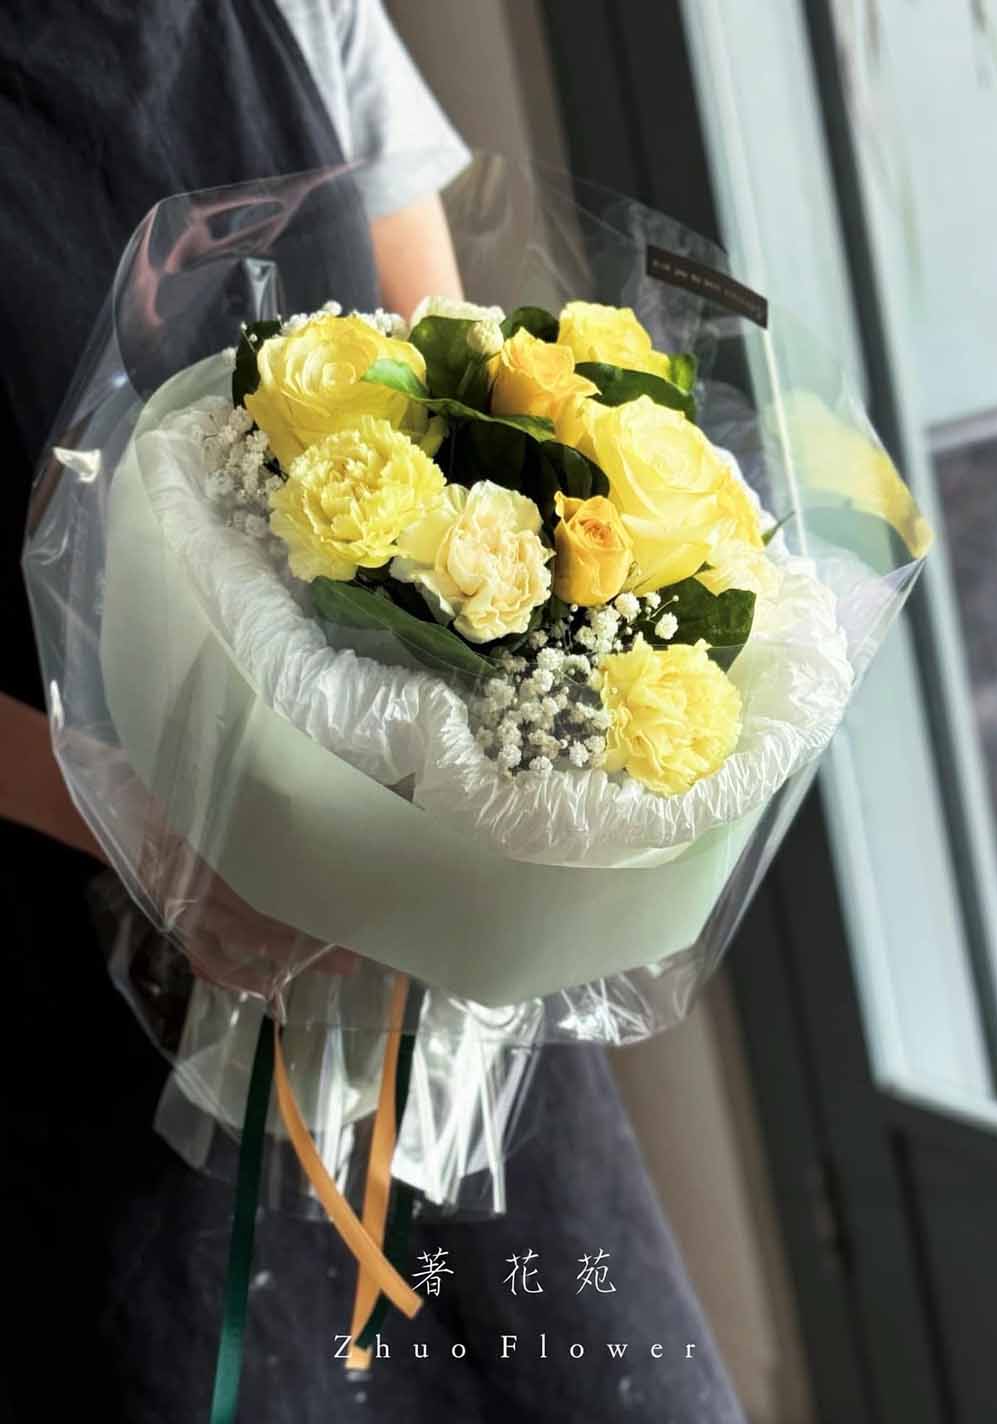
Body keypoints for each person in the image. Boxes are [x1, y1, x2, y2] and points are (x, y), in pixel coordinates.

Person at [0, 3, 747, 1420]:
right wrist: (155, 831)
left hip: (430, 976)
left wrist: (502, 718)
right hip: (97, 997)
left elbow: (448, 381)